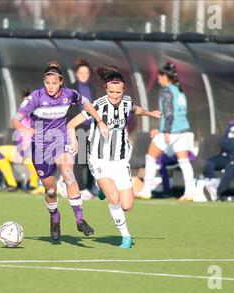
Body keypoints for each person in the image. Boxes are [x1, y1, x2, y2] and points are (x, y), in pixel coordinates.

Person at [11, 61, 109, 241]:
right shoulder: (35, 97)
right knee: (50, 191)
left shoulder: (69, 94)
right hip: (40, 148)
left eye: (54, 83)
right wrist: (23, 129)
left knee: (68, 173)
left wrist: (100, 121)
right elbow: (16, 119)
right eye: (47, 82)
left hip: (61, 142)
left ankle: (80, 220)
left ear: (61, 82)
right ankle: (54, 218)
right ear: (44, 81)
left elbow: (87, 104)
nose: (50, 86)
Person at [67, 66, 161, 249]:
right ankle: (125, 237)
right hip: (99, 159)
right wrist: (75, 142)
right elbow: (71, 124)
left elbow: (135, 109)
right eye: (111, 92)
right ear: (105, 89)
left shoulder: (126, 102)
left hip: (120, 161)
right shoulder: (97, 105)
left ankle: (99, 186)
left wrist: (150, 113)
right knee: (114, 199)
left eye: (118, 92)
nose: (115, 96)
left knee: (127, 206)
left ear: (124, 89)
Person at [136, 62, 195, 201]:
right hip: (183, 130)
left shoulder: (167, 91)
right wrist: (161, 129)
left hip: (171, 131)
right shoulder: (179, 90)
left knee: (150, 156)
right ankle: (190, 193)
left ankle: (146, 190)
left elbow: (168, 113)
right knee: (184, 161)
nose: (158, 79)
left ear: (165, 77)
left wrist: (165, 131)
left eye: (159, 77)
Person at [203, 100, 234, 201]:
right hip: (229, 155)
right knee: (209, 163)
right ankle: (212, 186)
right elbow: (224, 142)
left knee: (232, 166)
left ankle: (217, 193)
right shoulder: (230, 126)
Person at [0, 88, 42, 193]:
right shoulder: (20, 119)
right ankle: (12, 184)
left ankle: (33, 186)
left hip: (36, 152)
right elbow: (20, 137)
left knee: (30, 158)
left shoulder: (40, 118)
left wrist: (27, 150)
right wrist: (21, 150)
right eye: (25, 102)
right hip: (22, 151)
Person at [63, 58, 97, 200]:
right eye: (81, 72)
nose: (84, 74)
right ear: (77, 74)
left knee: (88, 160)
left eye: (86, 72)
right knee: (78, 159)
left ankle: (88, 187)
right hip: (76, 127)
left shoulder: (92, 89)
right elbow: (68, 111)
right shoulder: (70, 89)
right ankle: (80, 189)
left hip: (91, 128)